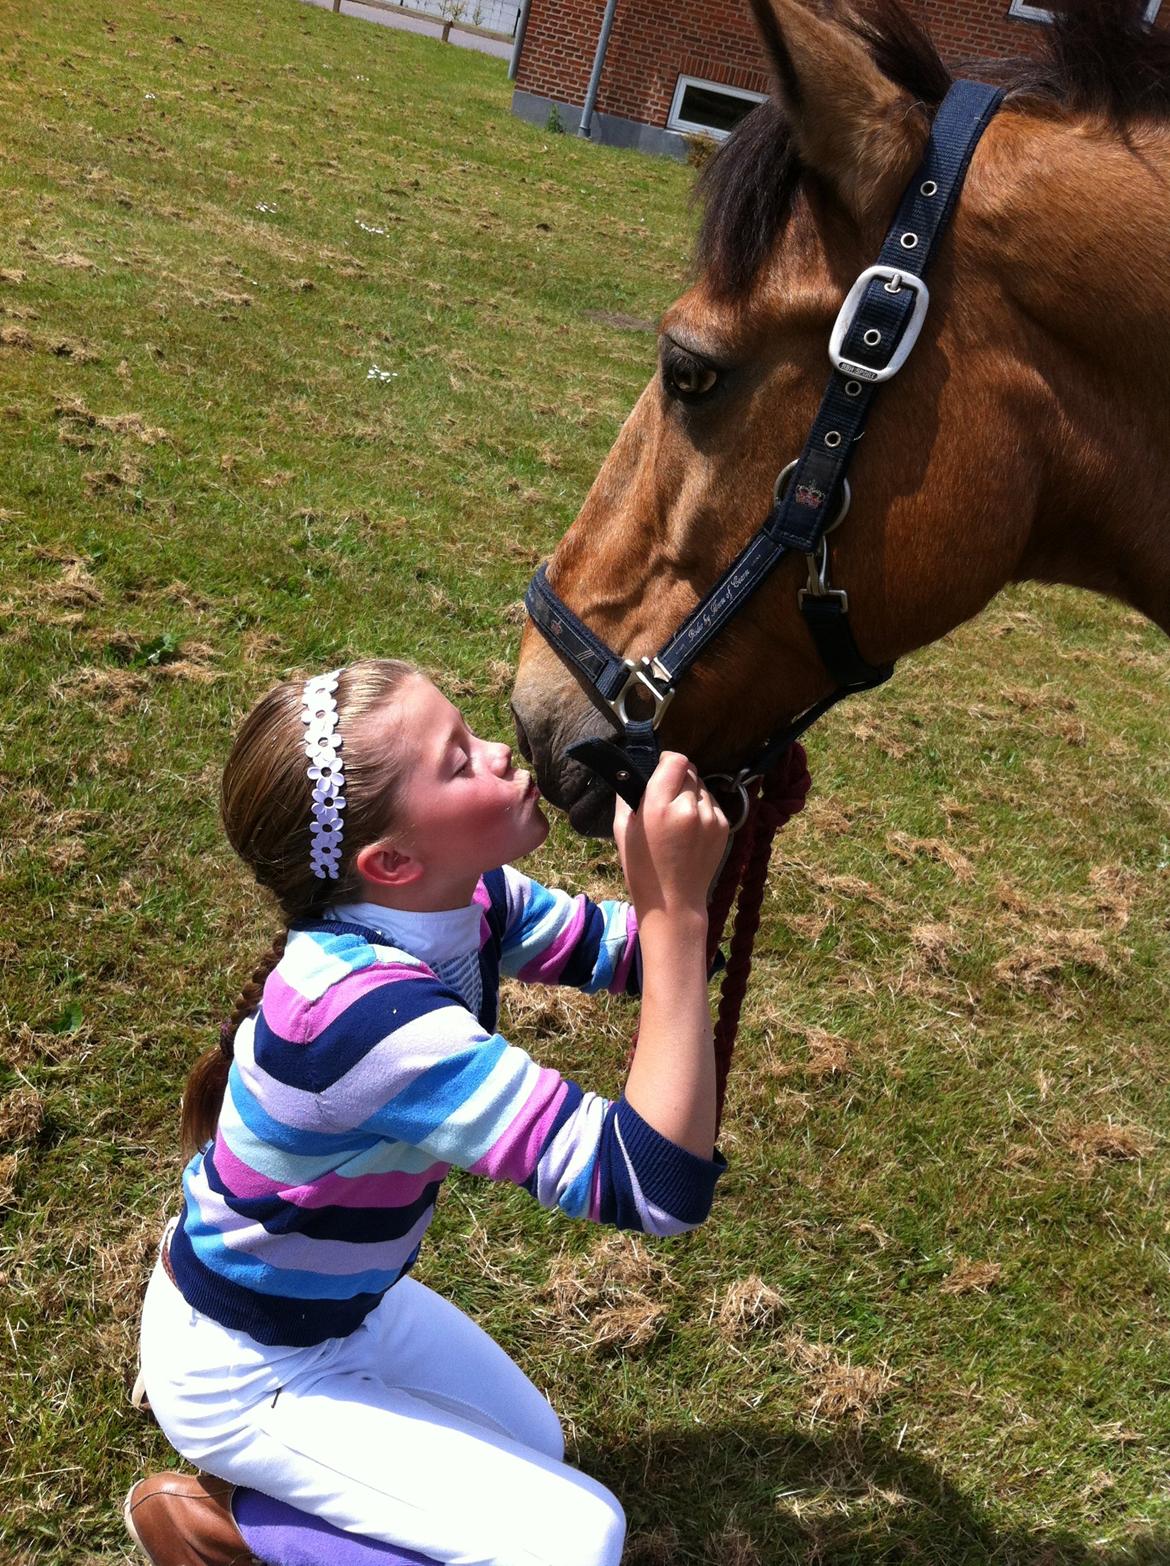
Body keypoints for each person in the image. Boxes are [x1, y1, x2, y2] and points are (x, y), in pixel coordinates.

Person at [125, 658, 729, 1566]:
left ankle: (277, 1501)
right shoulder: (363, 1017)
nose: (501, 751)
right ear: (393, 862)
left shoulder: (467, 897)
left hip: (346, 1311)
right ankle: (232, 1532)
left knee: (539, 1445)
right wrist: (676, 913)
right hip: (245, 1371)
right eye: (459, 761)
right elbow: (652, 1184)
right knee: (575, 1540)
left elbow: (632, 954)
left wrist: (676, 858)